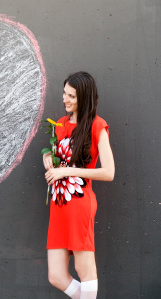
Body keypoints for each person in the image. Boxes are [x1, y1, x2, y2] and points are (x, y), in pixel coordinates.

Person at [42, 71, 115, 299]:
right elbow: (56, 157)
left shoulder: (97, 125)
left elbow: (109, 172)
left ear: (84, 98)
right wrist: (46, 157)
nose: (65, 99)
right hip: (59, 204)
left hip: (79, 204)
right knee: (55, 275)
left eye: (71, 96)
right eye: (64, 93)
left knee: (85, 271)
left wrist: (67, 170)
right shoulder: (60, 124)